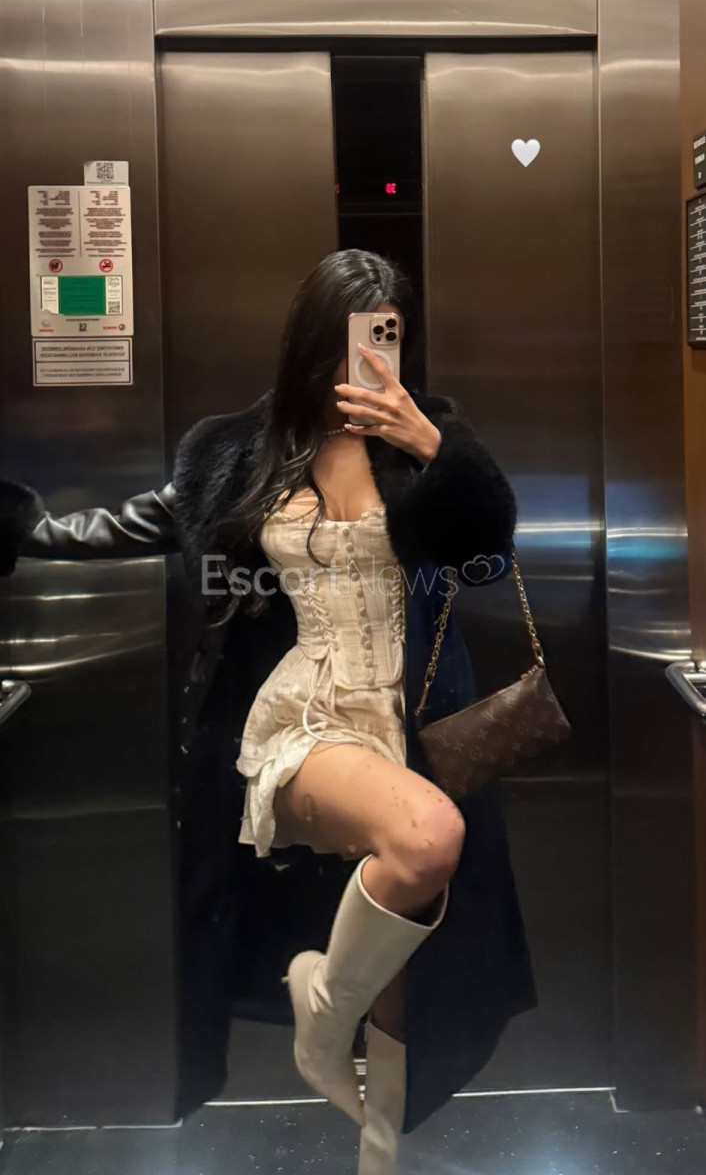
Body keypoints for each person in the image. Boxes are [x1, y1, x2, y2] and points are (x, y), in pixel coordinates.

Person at [0, 250, 538, 1173]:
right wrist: (26, 527)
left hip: (410, 725)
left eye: (386, 336)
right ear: (310, 343)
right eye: (348, 338)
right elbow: (135, 523)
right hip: (309, 717)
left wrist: (433, 447)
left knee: (406, 967)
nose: (365, 358)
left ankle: (378, 1148)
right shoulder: (239, 451)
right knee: (426, 839)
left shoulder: (422, 440)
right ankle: (321, 1019)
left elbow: (490, 550)